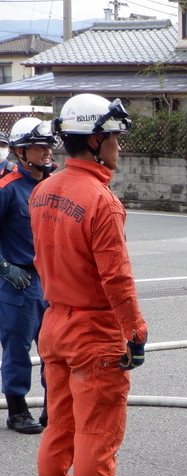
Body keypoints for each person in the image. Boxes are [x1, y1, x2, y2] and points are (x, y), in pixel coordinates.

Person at [29, 94, 148, 476]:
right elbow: (116, 278)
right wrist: (135, 332)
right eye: (115, 137)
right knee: (97, 431)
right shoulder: (101, 200)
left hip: (53, 323)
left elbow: (42, 258)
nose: (119, 146)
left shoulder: (44, 190)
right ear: (95, 141)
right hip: (94, 330)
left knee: (59, 425)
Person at [0, 117, 56, 434]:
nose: (47, 152)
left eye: (48, 145)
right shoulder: (6, 188)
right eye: (39, 146)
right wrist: (4, 268)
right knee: (18, 349)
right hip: (18, 282)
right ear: (21, 152)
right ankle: (18, 410)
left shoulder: (52, 186)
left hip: (52, 280)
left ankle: (54, 406)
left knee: (56, 348)